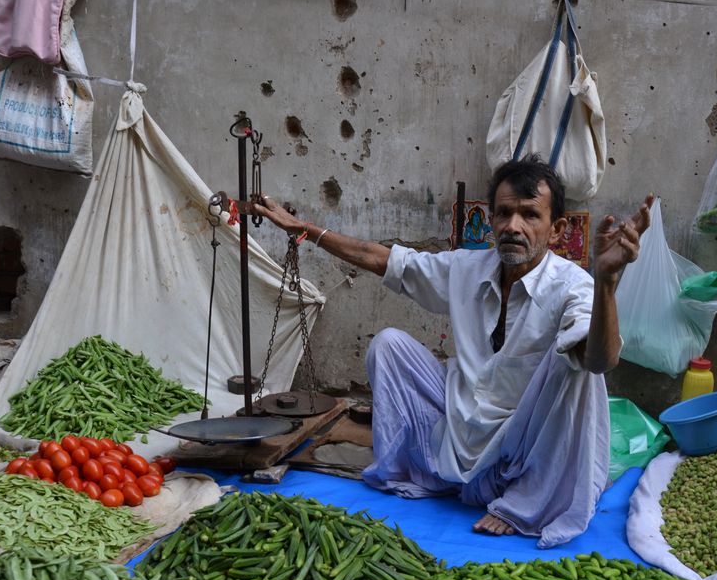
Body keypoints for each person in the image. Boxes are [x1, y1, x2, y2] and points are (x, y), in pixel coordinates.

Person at [254, 155, 652, 548]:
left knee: (577, 367)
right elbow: (383, 259)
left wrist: (605, 284)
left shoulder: (573, 286)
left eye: (530, 215)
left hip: (524, 448)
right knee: (389, 345)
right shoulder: (467, 269)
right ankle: (419, 470)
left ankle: (523, 503)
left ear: (556, 229)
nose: (513, 226)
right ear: (492, 219)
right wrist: (302, 229)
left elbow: (602, 360)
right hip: (463, 431)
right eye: (504, 213)